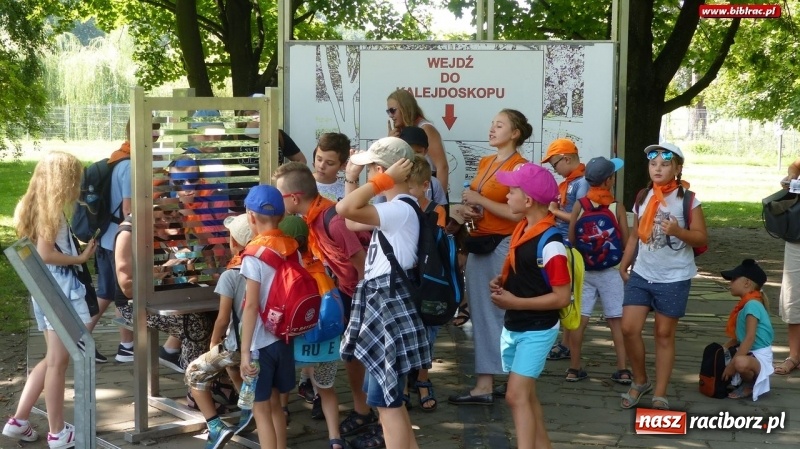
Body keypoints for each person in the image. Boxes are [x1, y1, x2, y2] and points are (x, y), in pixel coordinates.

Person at [337, 137, 430, 449]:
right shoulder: (396, 208)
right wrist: (351, 178)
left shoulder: (399, 210)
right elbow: (350, 221)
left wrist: (379, 182)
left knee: (386, 403)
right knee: (388, 401)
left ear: (381, 170)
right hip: (385, 303)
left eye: (373, 170)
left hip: (387, 305)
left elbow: (344, 208)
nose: (370, 175)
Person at [272, 162, 375, 438]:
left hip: (361, 294)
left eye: (278, 195)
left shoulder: (333, 220)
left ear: (293, 197)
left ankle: (368, 413)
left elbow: (362, 263)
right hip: (344, 291)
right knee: (351, 356)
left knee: (361, 355)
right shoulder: (309, 218)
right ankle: (362, 408)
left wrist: (364, 305)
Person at [3, 151, 97, 449]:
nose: (77, 187)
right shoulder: (51, 210)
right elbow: (45, 253)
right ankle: (58, 432)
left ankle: (18, 421)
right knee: (59, 362)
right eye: (74, 179)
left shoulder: (29, 205)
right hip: (60, 291)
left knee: (51, 359)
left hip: (44, 290)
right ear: (63, 180)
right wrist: (80, 257)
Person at [618, 143, 708, 411]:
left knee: (664, 334)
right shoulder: (644, 196)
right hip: (643, 274)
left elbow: (702, 237)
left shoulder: (688, 200)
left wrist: (679, 231)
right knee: (628, 328)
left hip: (674, 277)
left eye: (665, 164)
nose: (658, 168)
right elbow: (635, 234)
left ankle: (660, 393)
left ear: (677, 169)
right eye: (653, 163)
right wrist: (624, 264)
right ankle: (641, 380)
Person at [449, 109, 530, 406]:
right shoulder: (486, 161)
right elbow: (480, 198)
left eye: (500, 125)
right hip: (480, 241)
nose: (492, 129)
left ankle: (491, 382)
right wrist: (471, 208)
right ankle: (492, 378)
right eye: (492, 123)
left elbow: (516, 211)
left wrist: (480, 200)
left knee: (495, 309)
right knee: (483, 310)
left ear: (515, 133)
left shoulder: (520, 167)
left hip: (503, 244)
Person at [490, 162, 570, 449]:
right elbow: (523, 270)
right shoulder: (524, 227)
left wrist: (515, 300)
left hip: (537, 328)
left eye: (511, 191)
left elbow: (562, 297)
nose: (506, 196)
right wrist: (503, 281)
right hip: (517, 324)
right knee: (526, 395)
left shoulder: (550, 243)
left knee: (515, 396)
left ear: (528, 200)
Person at [115, 213, 217, 389]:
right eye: (162, 217)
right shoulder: (128, 234)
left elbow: (181, 280)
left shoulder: (169, 234)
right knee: (196, 323)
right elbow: (128, 288)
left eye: (175, 216)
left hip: (165, 298)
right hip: (134, 305)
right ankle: (196, 389)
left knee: (218, 313)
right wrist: (168, 265)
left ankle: (213, 382)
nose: (169, 222)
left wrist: (190, 268)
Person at [183, 213, 254, 449]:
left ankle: (215, 427)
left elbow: (223, 319)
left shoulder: (231, 274)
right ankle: (248, 408)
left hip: (238, 345)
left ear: (235, 242)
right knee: (232, 366)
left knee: (195, 372)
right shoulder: (270, 264)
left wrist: (214, 344)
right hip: (265, 342)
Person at [278, 215, 346, 449]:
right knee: (326, 390)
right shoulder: (322, 270)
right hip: (327, 345)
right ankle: (335, 437)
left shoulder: (288, 272)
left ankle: (282, 419)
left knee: (282, 386)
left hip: (296, 345)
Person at [239, 185, 298, 449]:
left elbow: (251, 306)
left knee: (260, 409)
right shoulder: (292, 248)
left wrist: (243, 353)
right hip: (284, 338)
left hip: (259, 344)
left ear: (250, 216)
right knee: (276, 405)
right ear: (283, 217)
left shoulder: (253, 255)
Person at [566, 157, 630, 383]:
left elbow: (572, 237)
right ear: (609, 180)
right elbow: (625, 240)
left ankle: (574, 368)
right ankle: (622, 369)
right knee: (616, 320)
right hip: (611, 271)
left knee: (579, 320)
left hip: (586, 271)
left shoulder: (580, 205)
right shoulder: (616, 206)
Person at [402, 156, 446, 412]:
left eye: (411, 187)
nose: (407, 192)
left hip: (428, 278)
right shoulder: (395, 207)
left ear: (425, 185)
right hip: (406, 278)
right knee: (405, 331)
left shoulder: (435, 210)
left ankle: (422, 378)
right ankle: (405, 383)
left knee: (428, 331)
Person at [540, 138, 588, 364]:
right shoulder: (571, 181)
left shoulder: (581, 183)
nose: (554, 169)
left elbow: (580, 219)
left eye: (555, 164)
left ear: (567, 159)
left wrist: (554, 212)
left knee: (569, 295)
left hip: (572, 244)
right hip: (563, 241)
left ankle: (567, 344)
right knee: (566, 293)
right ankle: (565, 342)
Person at [720, 259, 774, 400]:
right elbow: (739, 337)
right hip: (749, 352)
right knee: (723, 353)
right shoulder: (747, 304)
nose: (730, 283)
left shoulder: (751, 305)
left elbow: (749, 338)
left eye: (733, 279)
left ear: (746, 283)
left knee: (739, 362)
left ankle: (750, 383)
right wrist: (723, 349)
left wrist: (732, 365)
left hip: (758, 355)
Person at [386, 89, 449, 193]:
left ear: (405, 108)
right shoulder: (400, 132)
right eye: (388, 111)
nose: (390, 115)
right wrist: (390, 143)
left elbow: (442, 167)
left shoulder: (426, 128)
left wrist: (438, 202)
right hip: (410, 189)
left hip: (427, 189)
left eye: (392, 110)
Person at [775, 157, 800, 375]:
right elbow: (796, 165)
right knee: (794, 297)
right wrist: (792, 176)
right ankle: (794, 356)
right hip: (797, 236)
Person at [398, 126, 448, 208]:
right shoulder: (391, 180)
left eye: (418, 152)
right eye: (409, 151)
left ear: (425, 152)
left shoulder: (434, 183)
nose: (413, 156)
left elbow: (440, 211)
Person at [313, 132, 350, 202]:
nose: (321, 166)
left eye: (329, 163)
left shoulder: (345, 191)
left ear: (342, 166)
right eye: (319, 159)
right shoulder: (299, 184)